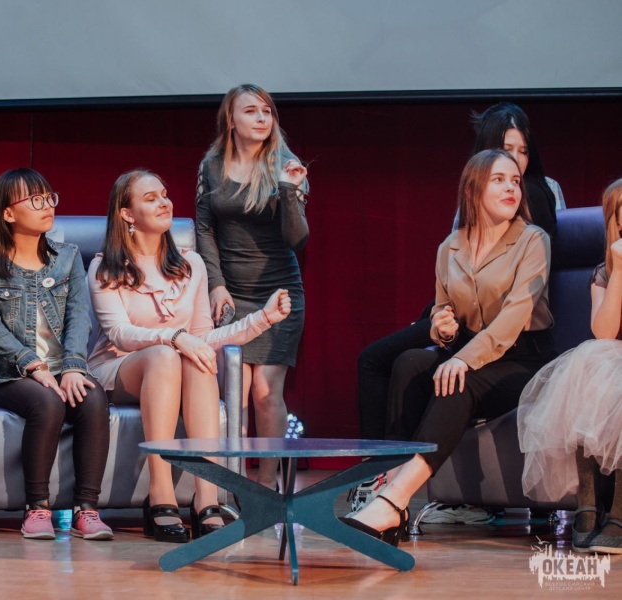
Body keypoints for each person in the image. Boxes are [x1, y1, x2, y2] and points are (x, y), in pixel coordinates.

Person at [354, 102, 564, 524]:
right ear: (473, 190)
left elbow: (513, 320)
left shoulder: (532, 240)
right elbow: (444, 315)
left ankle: (395, 499)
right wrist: (443, 331)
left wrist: (462, 358)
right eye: (499, 180)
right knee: (410, 362)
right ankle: (384, 478)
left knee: (458, 381)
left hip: (524, 357)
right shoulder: (449, 248)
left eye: (516, 181)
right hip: (473, 350)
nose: (512, 188)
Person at [88, 169, 292, 542]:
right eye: (151, 198)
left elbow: (202, 338)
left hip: (175, 365)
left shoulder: (191, 265)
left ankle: (206, 498)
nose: (164, 202)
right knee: (166, 355)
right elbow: (119, 333)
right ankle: (160, 493)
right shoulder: (106, 267)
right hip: (118, 368)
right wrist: (174, 337)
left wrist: (263, 319)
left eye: (164, 194)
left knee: (198, 360)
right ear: (127, 214)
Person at [0, 168, 113, 541]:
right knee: (48, 402)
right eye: (35, 200)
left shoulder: (68, 258)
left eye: (49, 197)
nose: (47, 205)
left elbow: (79, 319)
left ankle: (87, 510)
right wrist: (33, 366)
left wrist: (74, 367)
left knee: (93, 399)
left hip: (65, 368)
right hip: (10, 376)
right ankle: (37, 508)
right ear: (8, 213)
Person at [195, 83, 309, 490]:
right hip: (231, 294)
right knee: (235, 392)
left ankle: (265, 485)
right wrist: (215, 284)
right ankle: (234, 484)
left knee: (265, 391)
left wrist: (288, 191)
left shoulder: (286, 165)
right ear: (231, 119)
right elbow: (204, 229)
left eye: (267, 111)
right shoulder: (211, 165)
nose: (262, 118)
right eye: (251, 111)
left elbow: (298, 239)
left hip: (278, 293)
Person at [518, 179, 622, 554]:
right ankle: (587, 508)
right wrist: (619, 270)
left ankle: (619, 513)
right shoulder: (604, 272)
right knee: (592, 361)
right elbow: (604, 332)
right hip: (615, 358)